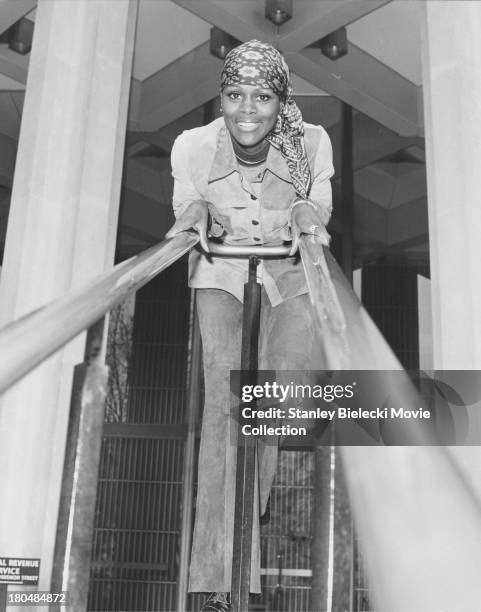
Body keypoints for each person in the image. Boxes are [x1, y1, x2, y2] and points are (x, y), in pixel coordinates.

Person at [166, 40, 334, 612]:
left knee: (269, 405)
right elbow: (189, 206)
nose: (246, 109)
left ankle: (244, 531)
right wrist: (189, 220)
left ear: (280, 99)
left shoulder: (309, 144)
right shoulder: (192, 147)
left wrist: (309, 216)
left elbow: (317, 205)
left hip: (289, 275)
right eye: (234, 95)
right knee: (224, 410)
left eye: (262, 97)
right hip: (222, 273)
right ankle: (218, 580)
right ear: (221, 97)